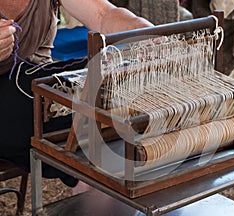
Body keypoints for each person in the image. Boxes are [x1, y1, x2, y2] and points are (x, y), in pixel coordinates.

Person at [0, 0, 153, 187]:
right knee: (90, 125)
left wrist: (143, 31)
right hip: (15, 105)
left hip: (35, 83)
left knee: (104, 90)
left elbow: (104, 15)